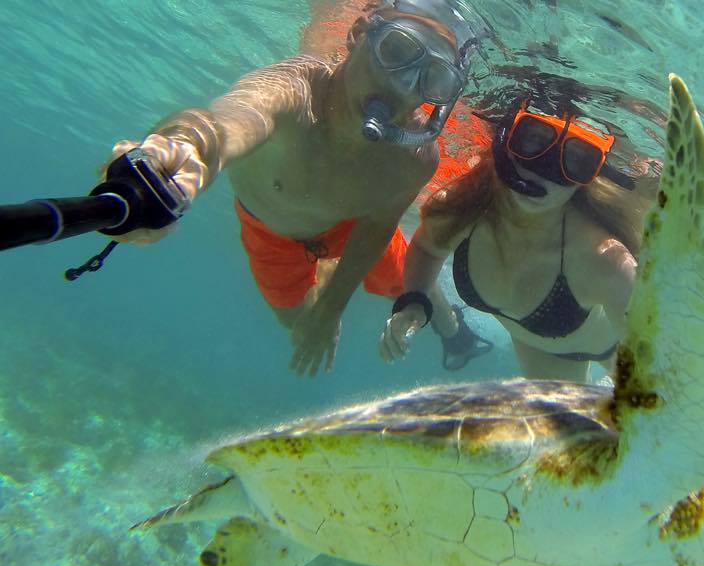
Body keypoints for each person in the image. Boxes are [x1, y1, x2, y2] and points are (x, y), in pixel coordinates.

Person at [106, 0, 491, 376]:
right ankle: (331, 274)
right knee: (297, 321)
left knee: (413, 288)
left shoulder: (415, 158)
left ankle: (454, 331)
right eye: (396, 50)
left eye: (433, 78)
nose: (402, 86)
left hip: (352, 227)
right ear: (357, 34)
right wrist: (183, 148)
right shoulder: (291, 91)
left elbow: (378, 226)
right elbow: (232, 120)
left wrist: (333, 308)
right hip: (271, 233)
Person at [380, 98, 651, 382]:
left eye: (576, 159)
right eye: (532, 139)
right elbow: (427, 249)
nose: (546, 171)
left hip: (618, 350)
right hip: (540, 353)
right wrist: (414, 304)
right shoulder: (461, 212)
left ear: (592, 173)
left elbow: (653, 357)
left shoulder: (604, 258)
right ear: (504, 139)